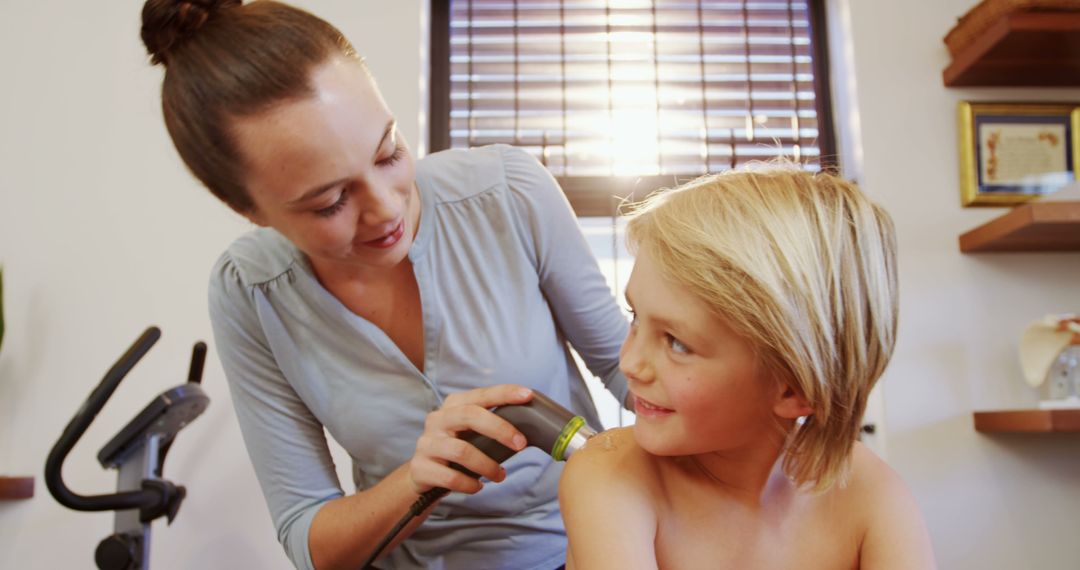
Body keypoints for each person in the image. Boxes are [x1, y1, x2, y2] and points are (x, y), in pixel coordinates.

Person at [138, 1, 630, 569]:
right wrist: (419, 481)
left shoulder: (507, 192)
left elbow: (626, 371)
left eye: (389, 151)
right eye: (331, 202)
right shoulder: (250, 291)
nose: (386, 208)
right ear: (247, 208)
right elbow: (308, 536)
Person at [558, 166, 936, 569]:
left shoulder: (871, 493)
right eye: (635, 317)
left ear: (794, 389)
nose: (630, 362)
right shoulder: (610, 477)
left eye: (677, 343)